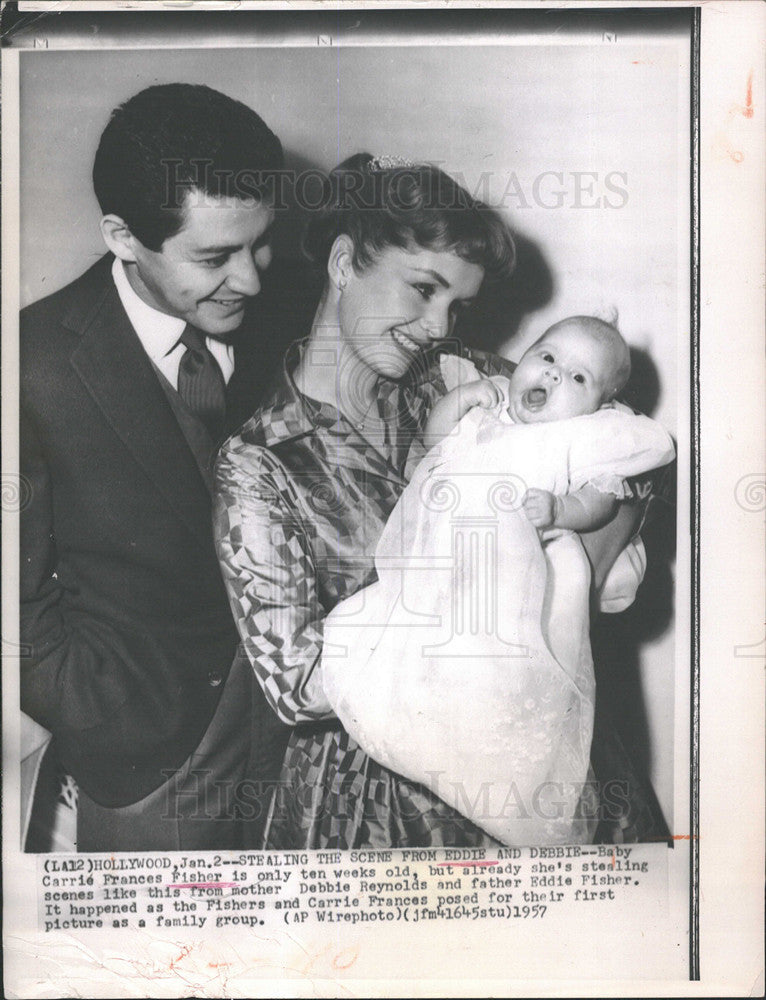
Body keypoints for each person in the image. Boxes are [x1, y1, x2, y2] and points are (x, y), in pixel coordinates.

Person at [213, 153, 660, 850]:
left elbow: (623, 466)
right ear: (341, 263)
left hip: (532, 746)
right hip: (380, 797)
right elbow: (294, 685)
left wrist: (574, 549)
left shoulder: (472, 380)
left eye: (457, 305)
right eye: (422, 289)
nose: (439, 325)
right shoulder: (262, 460)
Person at [20, 83, 293, 852]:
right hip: (149, 762)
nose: (253, 279)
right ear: (122, 236)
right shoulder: (30, 367)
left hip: (302, 742)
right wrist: (102, 721)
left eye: (261, 241)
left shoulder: (294, 317)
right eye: (214, 256)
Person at [321, 317, 675, 846]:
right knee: (420, 627)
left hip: (533, 557)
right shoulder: (490, 413)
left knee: (513, 655)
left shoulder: (584, 437)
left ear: (600, 406)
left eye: (579, 379)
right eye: (548, 357)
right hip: (451, 550)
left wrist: (562, 508)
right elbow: (438, 442)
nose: (554, 378)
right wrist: (463, 398)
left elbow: (603, 497)